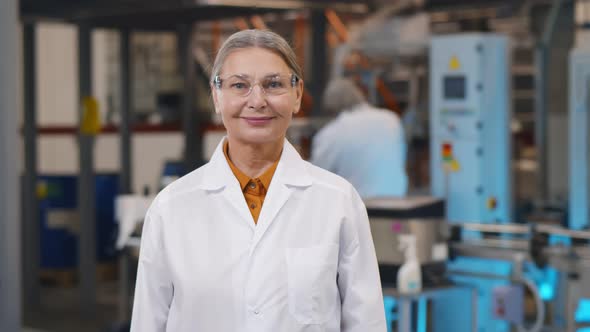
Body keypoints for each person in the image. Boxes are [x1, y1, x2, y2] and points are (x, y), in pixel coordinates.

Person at [130, 29, 386, 332]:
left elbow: (366, 323)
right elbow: (148, 322)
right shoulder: (171, 208)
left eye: (273, 84)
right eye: (239, 85)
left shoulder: (338, 200)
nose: (257, 100)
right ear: (216, 96)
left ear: (297, 95)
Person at [311, 78, 408, 198]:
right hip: (398, 201)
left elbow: (316, 177)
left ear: (332, 107)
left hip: (361, 206)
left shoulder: (331, 132)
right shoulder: (391, 119)